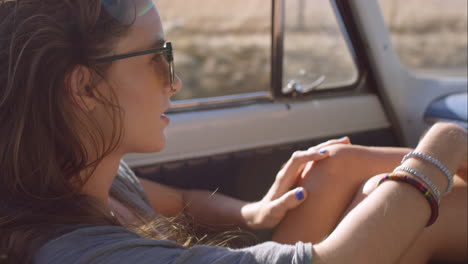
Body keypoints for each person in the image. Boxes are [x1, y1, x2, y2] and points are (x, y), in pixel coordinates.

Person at [0, 1, 466, 263]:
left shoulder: (89, 175)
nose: (174, 81)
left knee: (339, 167)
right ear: (84, 86)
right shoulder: (82, 255)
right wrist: (442, 145)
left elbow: (181, 201)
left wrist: (253, 212)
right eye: (155, 58)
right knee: (418, 212)